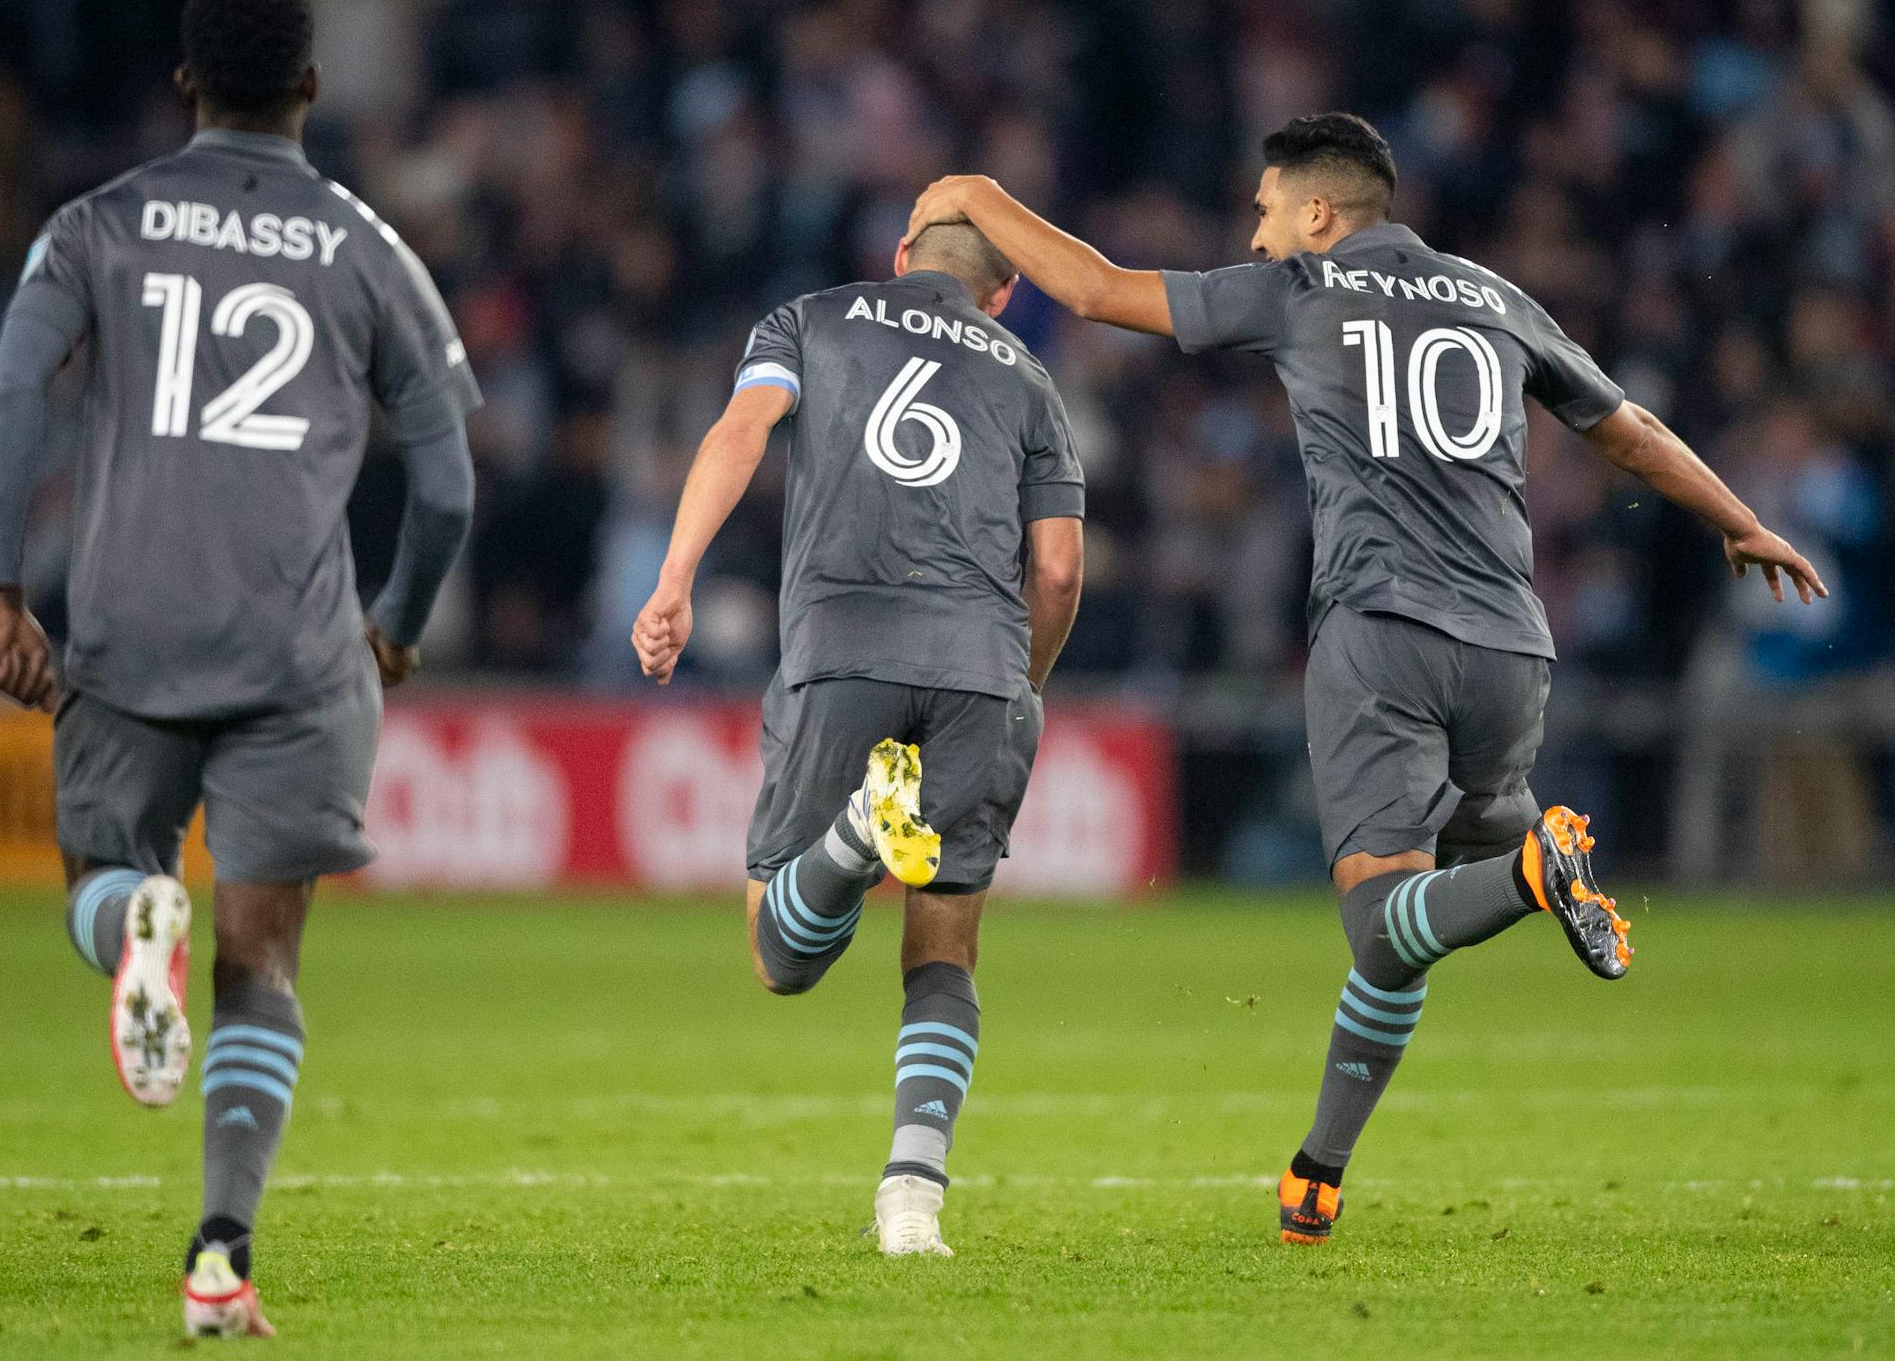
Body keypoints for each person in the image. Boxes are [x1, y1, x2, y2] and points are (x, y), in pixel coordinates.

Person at [906, 112, 1826, 1244]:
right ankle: (1319, 1169)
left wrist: (975, 190)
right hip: (1512, 650)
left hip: (1381, 637)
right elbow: (1627, 431)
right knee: (1428, 917)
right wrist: (1742, 520)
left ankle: (1538, 865)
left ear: (1320, 215)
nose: (1253, 236)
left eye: (1263, 208)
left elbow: (1094, 291)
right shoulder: (1496, 298)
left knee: (1385, 919)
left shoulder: (1302, 291)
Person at [0, 0, 480, 1337]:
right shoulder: (372, 246)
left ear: (185, 85)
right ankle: (218, 1257)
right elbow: (447, 487)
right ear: (313, 89)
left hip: (126, 635)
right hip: (301, 649)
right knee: (263, 959)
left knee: (102, 875)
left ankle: (134, 918)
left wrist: (1, 589)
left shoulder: (98, 224)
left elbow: (15, 390)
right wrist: (397, 630)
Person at [631, 221, 1085, 1256]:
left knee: (779, 957)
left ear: (900, 253)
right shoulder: (1031, 381)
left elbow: (741, 432)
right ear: (1002, 293)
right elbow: (1057, 569)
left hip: (841, 646)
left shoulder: (811, 318)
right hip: (982, 663)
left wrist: (674, 577)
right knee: (945, 949)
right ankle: (912, 1198)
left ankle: (849, 840)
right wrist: (1020, 686)